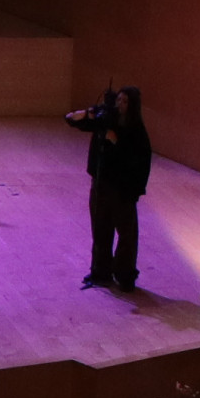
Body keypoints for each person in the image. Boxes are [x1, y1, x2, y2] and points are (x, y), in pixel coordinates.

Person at [62, 87, 151, 292]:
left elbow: (137, 161)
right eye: (118, 100)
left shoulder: (136, 131)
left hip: (122, 190)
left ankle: (124, 275)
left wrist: (116, 142)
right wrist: (87, 113)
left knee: (126, 235)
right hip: (101, 185)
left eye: (125, 101)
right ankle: (101, 272)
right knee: (101, 230)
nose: (119, 104)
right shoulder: (106, 121)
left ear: (133, 106)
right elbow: (71, 119)